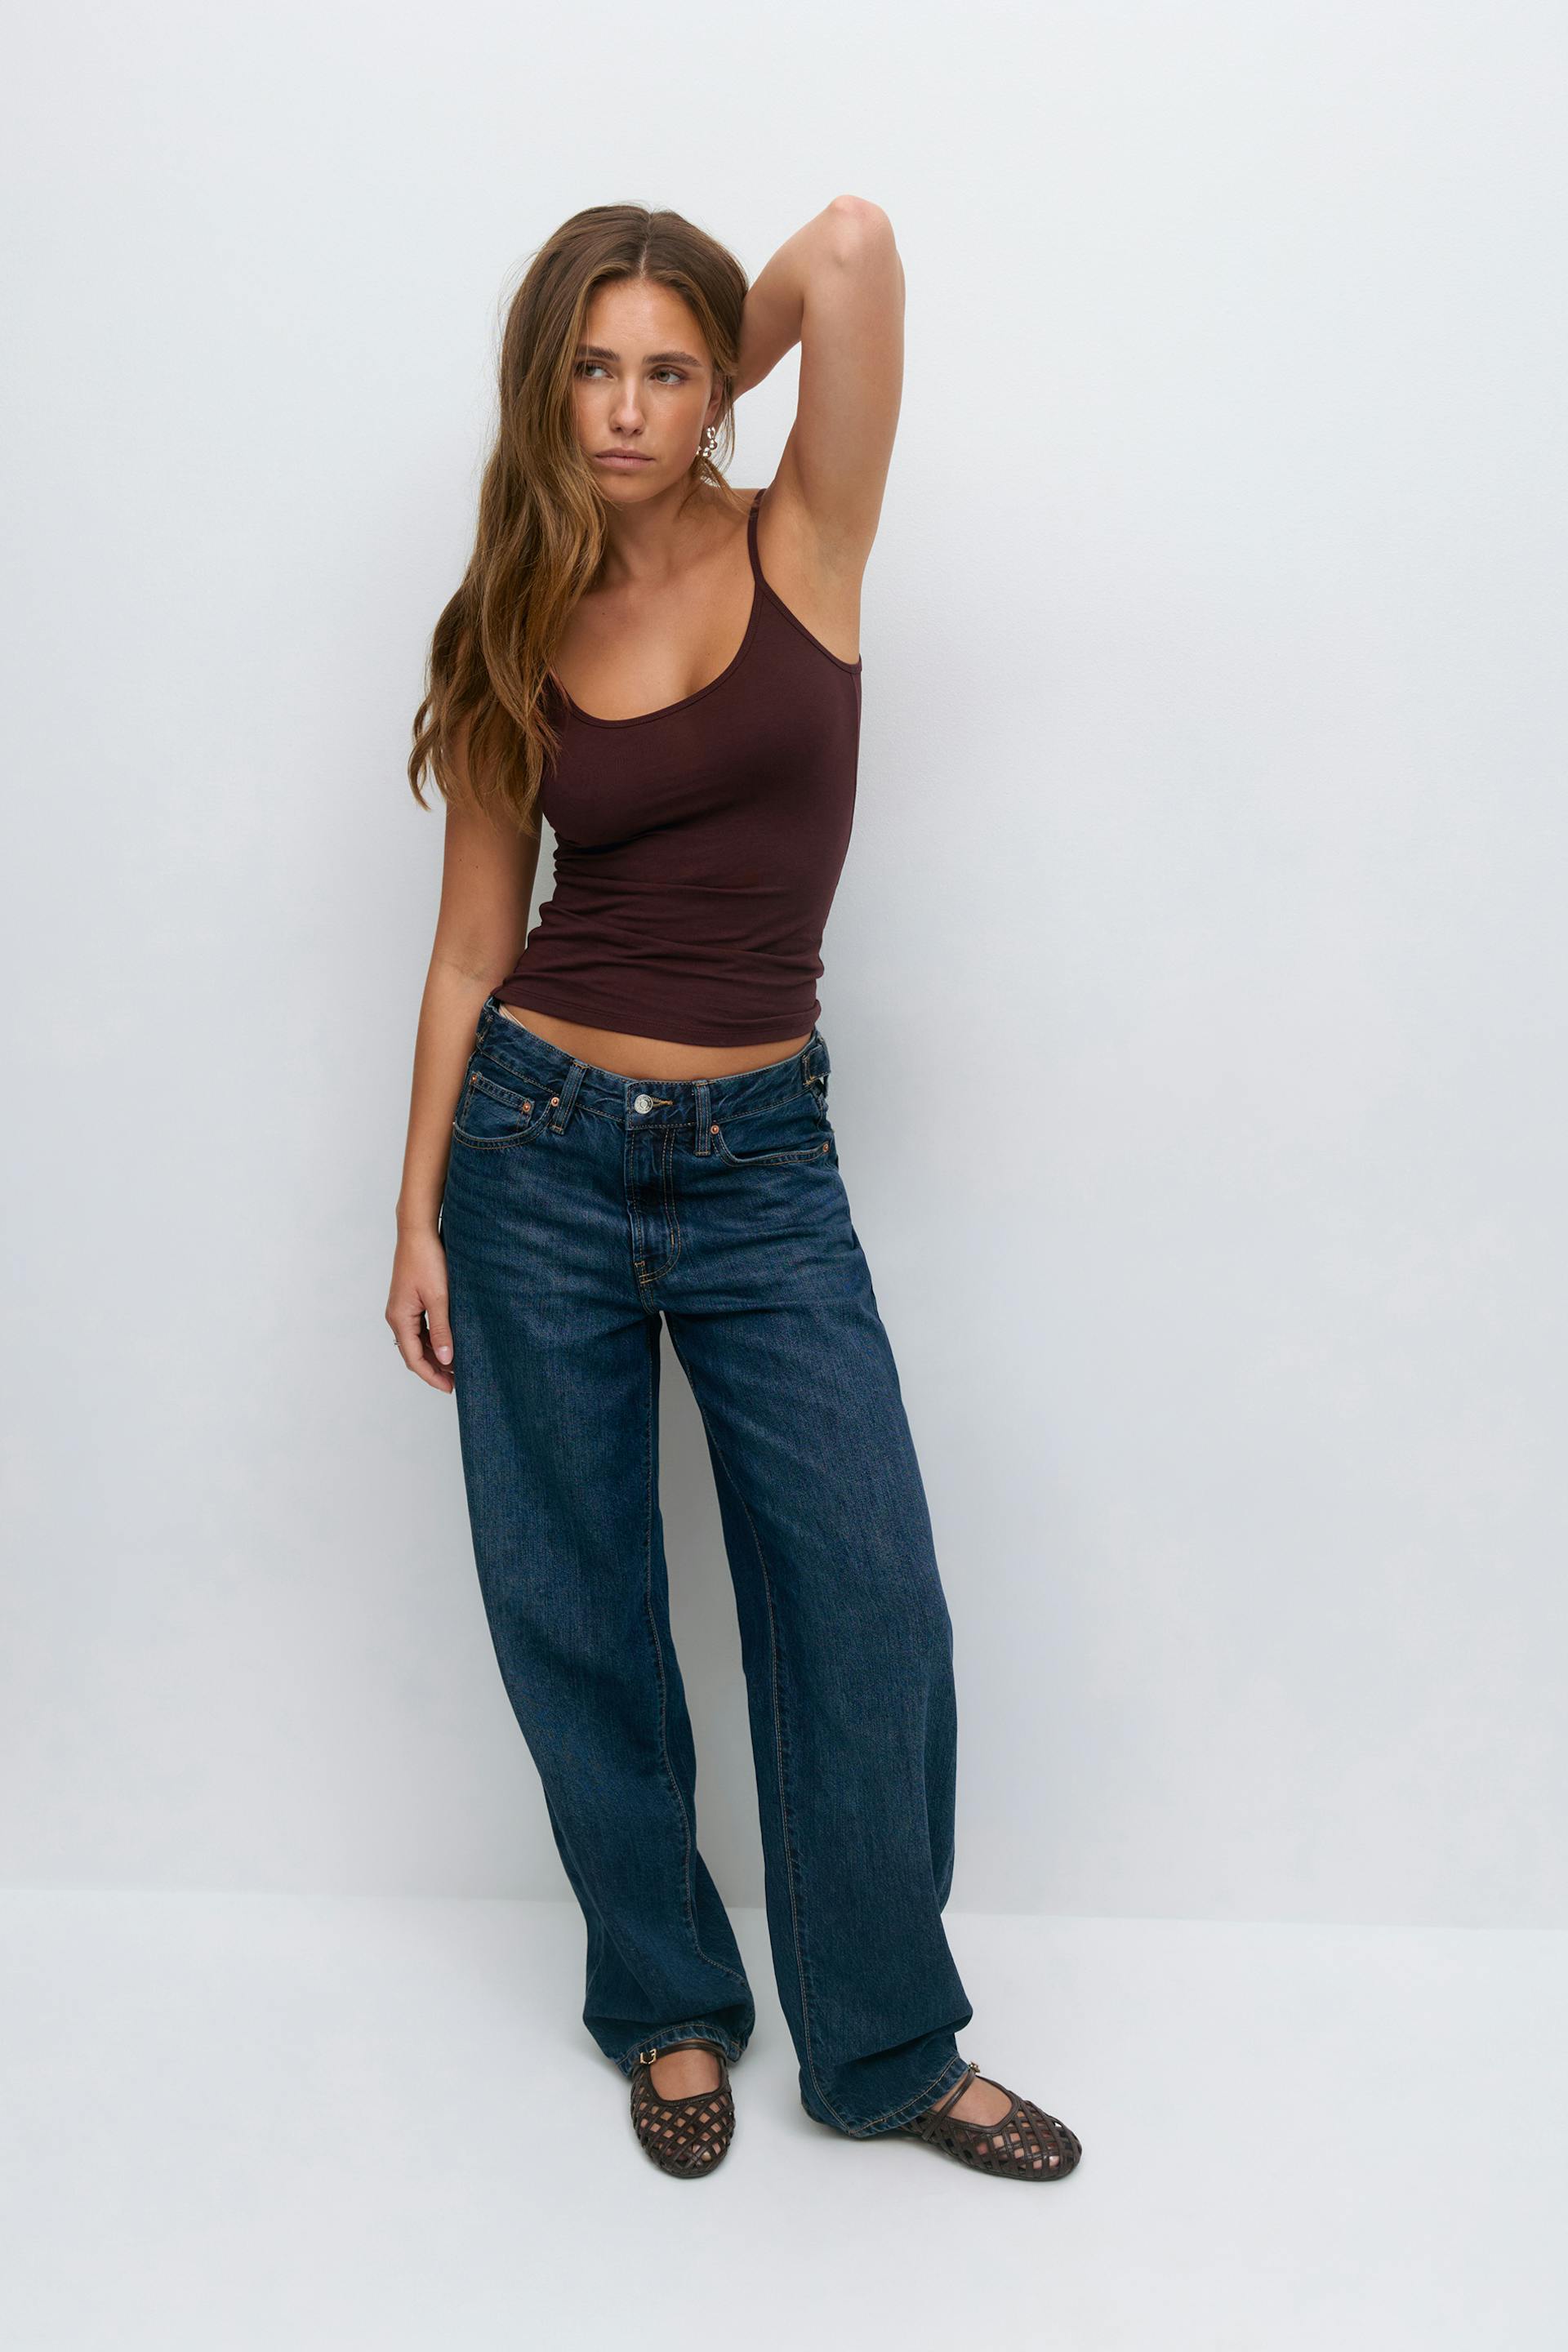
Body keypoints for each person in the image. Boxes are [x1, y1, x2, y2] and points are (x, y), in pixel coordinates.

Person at [388, 198, 1082, 2185]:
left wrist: (713, 380)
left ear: (719, 388)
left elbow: (851, 250)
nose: (624, 409)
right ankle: (668, 2002)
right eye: (590, 371)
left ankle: (884, 2049)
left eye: (666, 371)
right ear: (542, 389)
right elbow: (469, 945)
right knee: (576, 1607)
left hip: (765, 1164)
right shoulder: (513, 617)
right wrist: (415, 1212)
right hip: (533, 1154)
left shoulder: (807, 545)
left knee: (869, 1601)